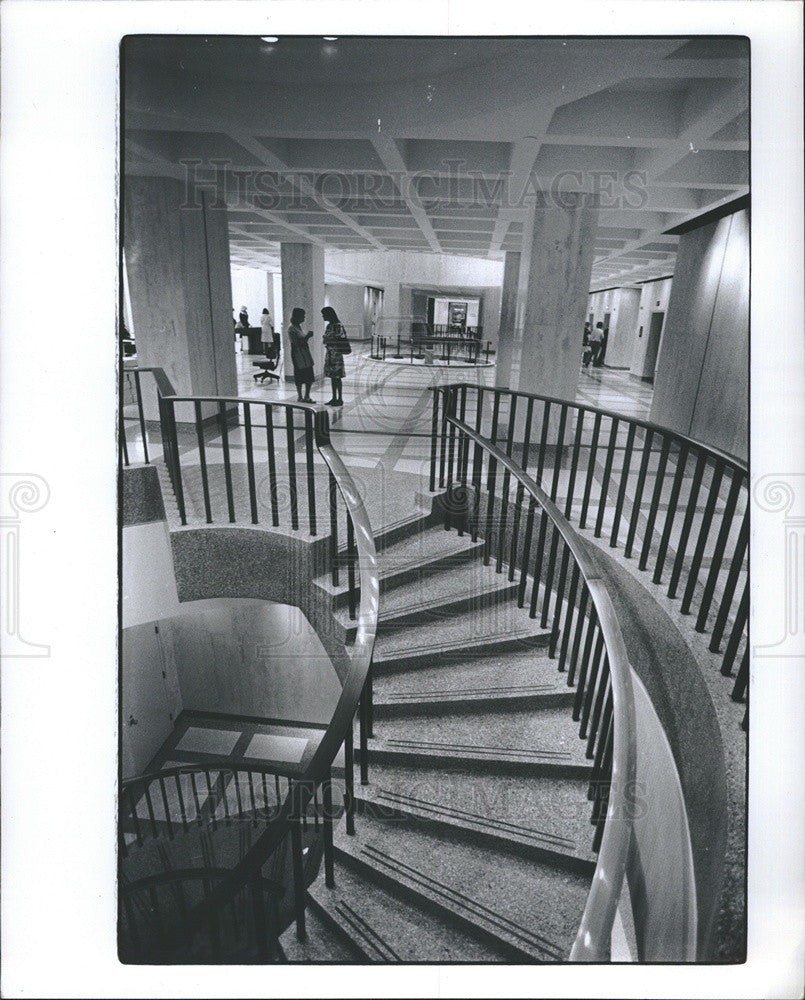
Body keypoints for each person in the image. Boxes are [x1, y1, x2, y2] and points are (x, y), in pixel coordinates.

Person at [321, 306, 348, 406]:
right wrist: (328, 339)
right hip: (330, 353)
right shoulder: (329, 326)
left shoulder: (337, 326)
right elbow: (326, 339)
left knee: (337, 377)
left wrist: (328, 339)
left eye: (324, 314)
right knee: (333, 377)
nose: (323, 316)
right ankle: (333, 397)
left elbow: (337, 339)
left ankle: (340, 398)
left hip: (336, 354)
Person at [288, 307, 315, 402]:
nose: (304, 318)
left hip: (304, 353)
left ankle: (307, 395)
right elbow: (296, 343)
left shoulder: (298, 327)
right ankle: (300, 396)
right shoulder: (291, 328)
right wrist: (307, 336)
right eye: (302, 316)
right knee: (299, 375)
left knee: (309, 375)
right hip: (298, 354)